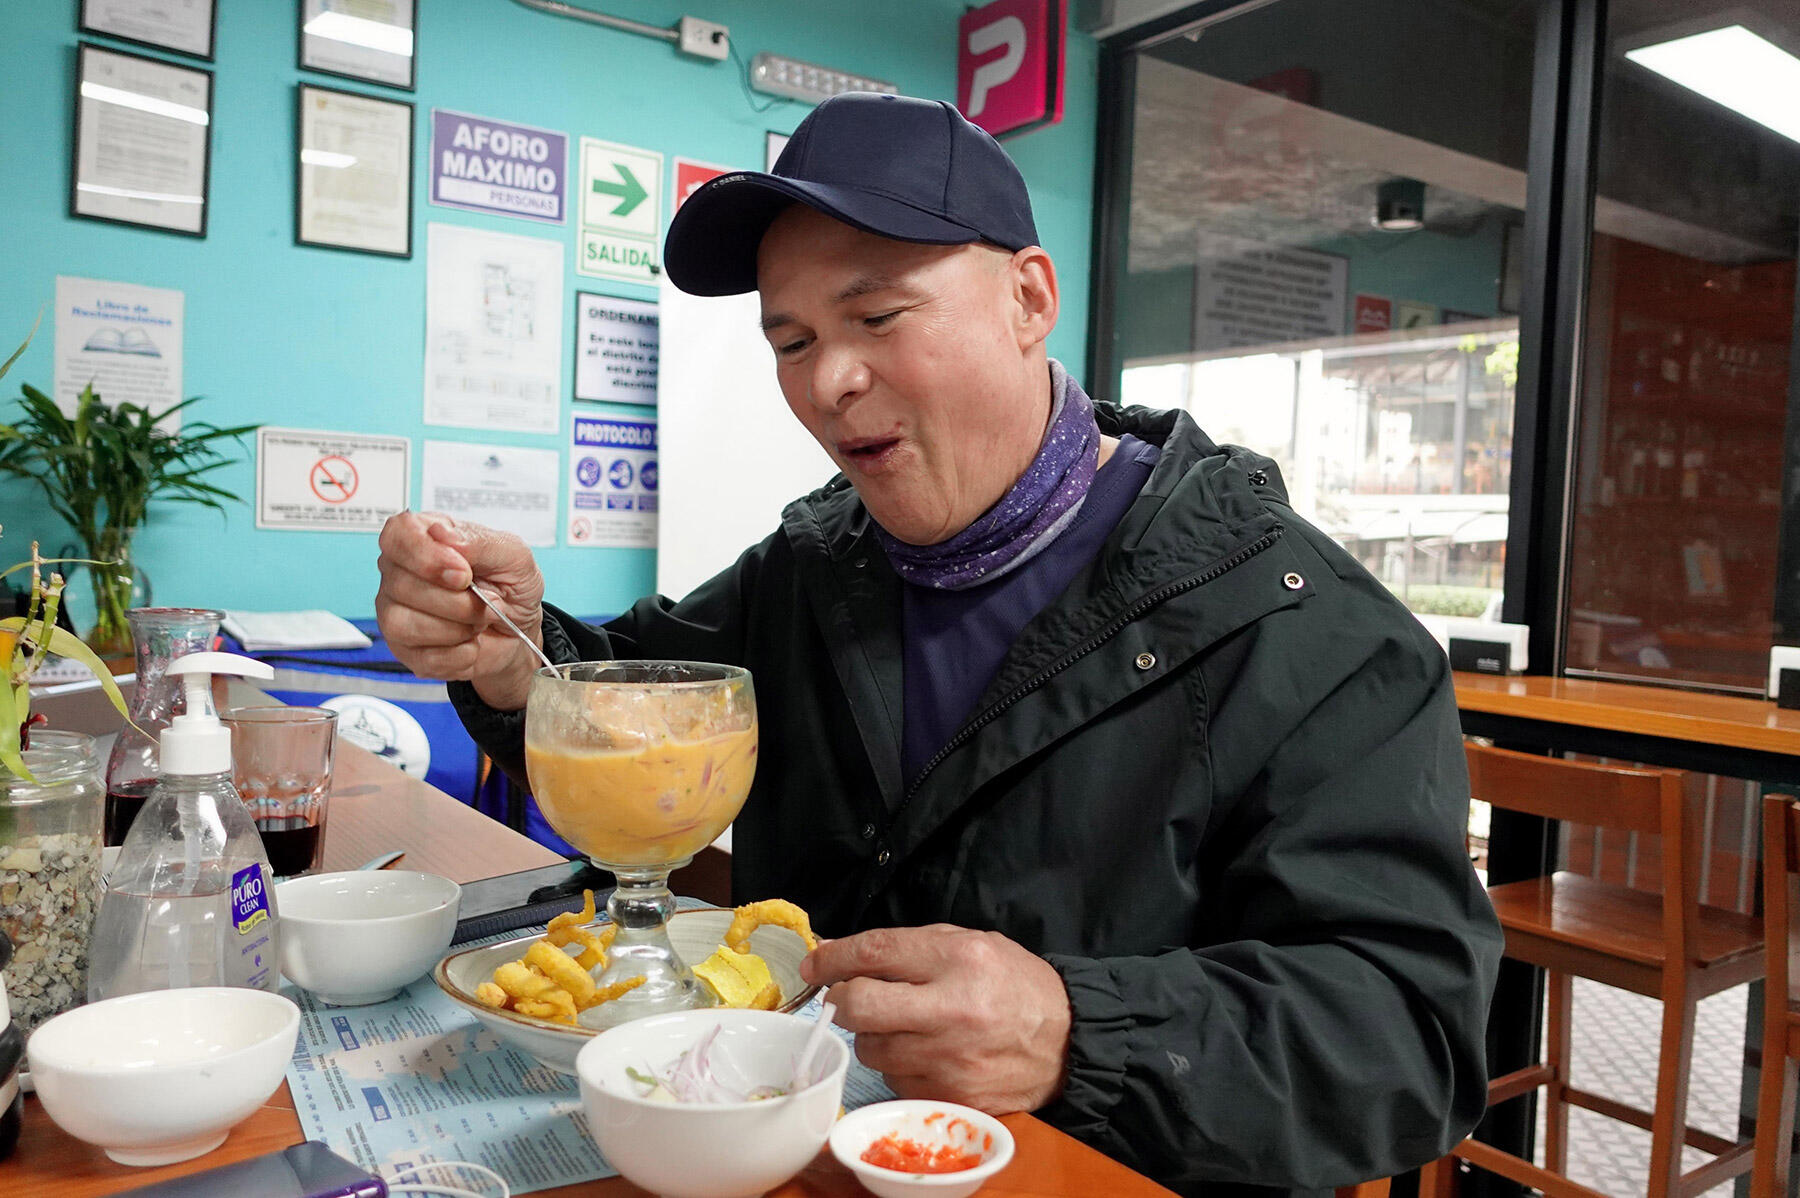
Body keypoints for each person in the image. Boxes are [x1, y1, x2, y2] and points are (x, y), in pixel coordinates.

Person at [375, 93, 1501, 1196]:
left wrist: (1076, 1030)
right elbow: (627, 694)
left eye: (879, 316)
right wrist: (513, 655)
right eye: (793, 338)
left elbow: (1410, 1037)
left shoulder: (1302, 624)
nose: (827, 381)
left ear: (1028, 297)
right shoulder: (817, 565)